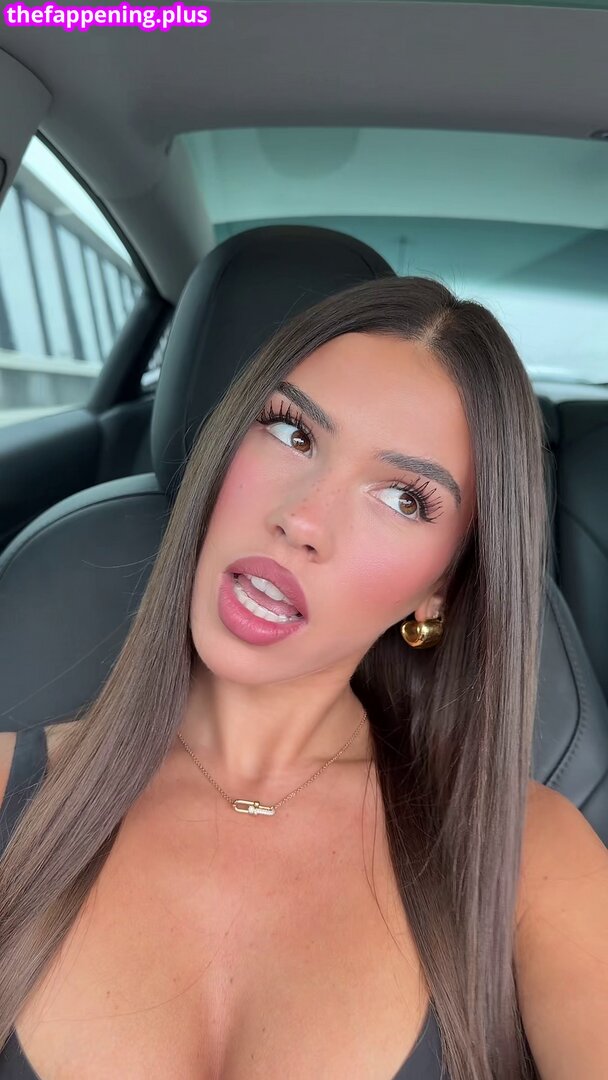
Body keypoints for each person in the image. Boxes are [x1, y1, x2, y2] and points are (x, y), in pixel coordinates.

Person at [0, 277, 606, 1080]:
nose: (303, 519)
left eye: (403, 499)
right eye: (292, 433)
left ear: (442, 588)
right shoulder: (9, 792)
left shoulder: (528, 855)